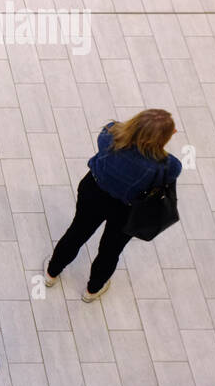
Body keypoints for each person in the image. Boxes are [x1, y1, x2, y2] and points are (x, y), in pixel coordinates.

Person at [45, 109, 182, 302]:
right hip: (129, 210)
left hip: (94, 194)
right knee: (110, 250)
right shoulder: (169, 166)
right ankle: (92, 290)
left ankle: (52, 273)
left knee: (77, 233)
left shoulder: (109, 134)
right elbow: (169, 174)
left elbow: (116, 129)